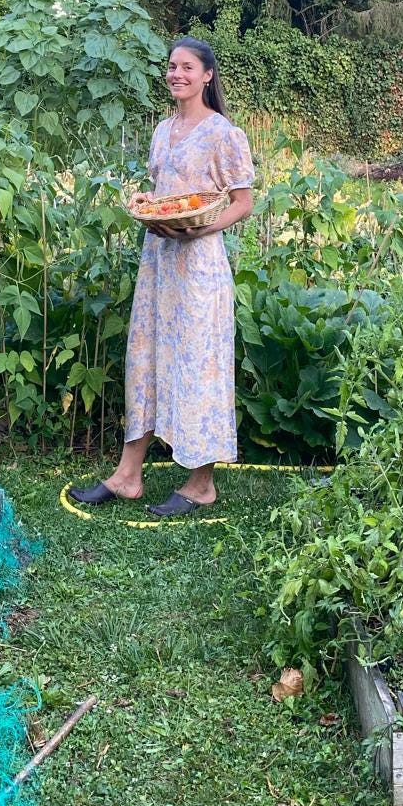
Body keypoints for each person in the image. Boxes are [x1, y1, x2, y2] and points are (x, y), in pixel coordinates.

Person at [71, 37, 254, 518]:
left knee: (198, 363)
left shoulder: (223, 134)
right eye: (172, 66)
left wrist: (200, 229)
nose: (177, 74)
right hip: (158, 260)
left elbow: (243, 203)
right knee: (146, 357)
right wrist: (151, 209)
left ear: (207, 76)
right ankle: (128, 475)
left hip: (198, 265)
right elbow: (164, 193)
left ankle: (201, 483)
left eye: (187, 67)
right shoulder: (161, 130)